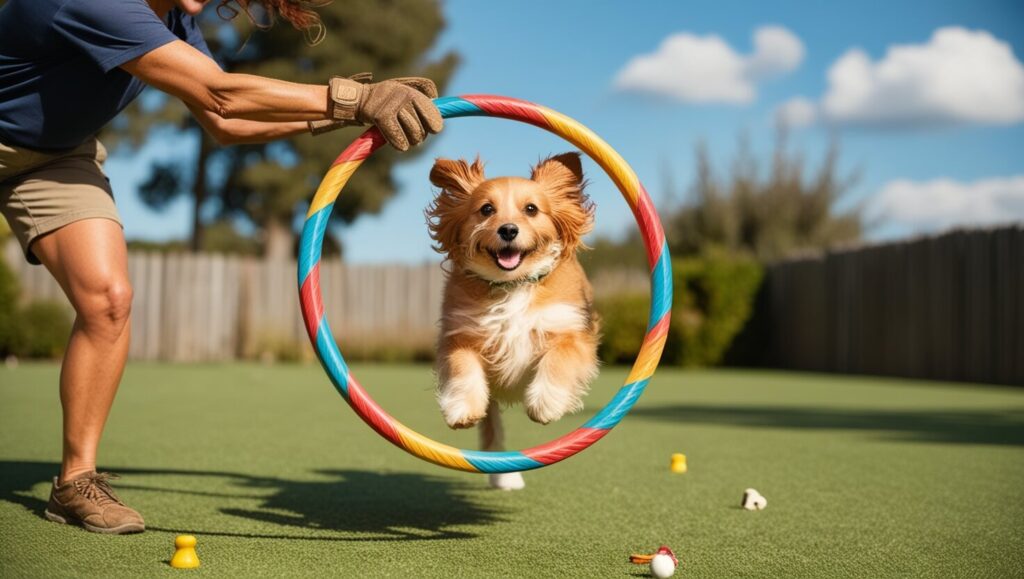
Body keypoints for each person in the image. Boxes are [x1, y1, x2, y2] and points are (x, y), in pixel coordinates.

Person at [0, 0, 443, 534]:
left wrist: (342, 115)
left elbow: (222, 122)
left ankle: (75, 483)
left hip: (54, 158)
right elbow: (222, 92)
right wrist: (360, 98)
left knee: (108, 299)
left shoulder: (175, 20)